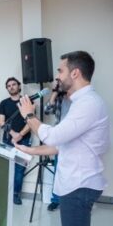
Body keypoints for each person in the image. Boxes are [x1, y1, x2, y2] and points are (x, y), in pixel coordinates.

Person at [16, 51, 109, 226]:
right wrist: (33, 151)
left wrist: (29, 116)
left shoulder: (88, 103)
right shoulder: (80, 102)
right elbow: (60, 143)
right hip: (76, 180)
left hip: (80, 183)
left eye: (60, 71)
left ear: (75, 73)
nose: (57, 76)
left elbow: (54, 133)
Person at [0, 77, 31, 205]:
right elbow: (1, 122)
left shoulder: (27, 102)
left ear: (19, 86)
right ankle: (6, 194)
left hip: (24, 140)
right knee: (7, 169)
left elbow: (31, 121)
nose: (11, 87)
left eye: (13, 84)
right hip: (7, 140)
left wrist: (20, 135)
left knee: (19, 169)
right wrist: (13, 134)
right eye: (9, 86)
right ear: (7, 89)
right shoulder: (3, 103)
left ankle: (16, 194)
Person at [44, 82, 72, 211]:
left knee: (73, 171)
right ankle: (55, 199)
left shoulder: (78, 99)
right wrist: (54, 92)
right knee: (58, 169)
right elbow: (47, 110)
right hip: (61, 139)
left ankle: (70, 200)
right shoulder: (59, 98)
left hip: (75, 139)